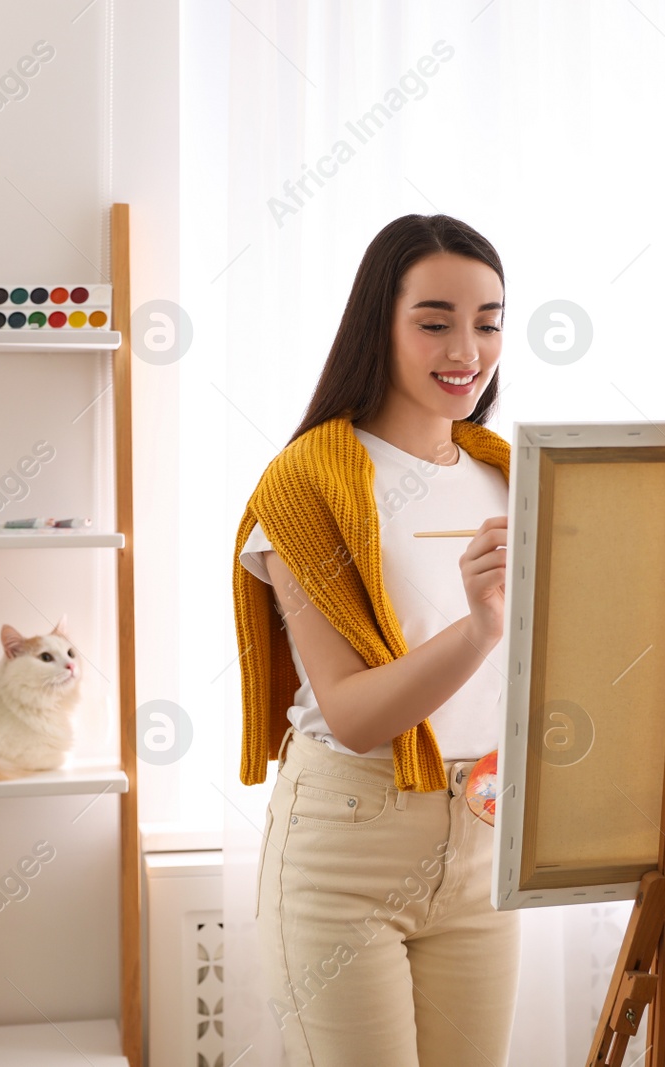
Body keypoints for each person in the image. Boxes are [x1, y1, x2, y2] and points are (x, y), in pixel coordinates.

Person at [233, 213, 518, 1066]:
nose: (465, 347)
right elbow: (354, 713)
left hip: (483, 833)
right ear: (378, 326)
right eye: (434, 322)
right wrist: (481, 627)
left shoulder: (509, 471)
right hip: (345, 843)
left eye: (488, 320)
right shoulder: (307, 481)